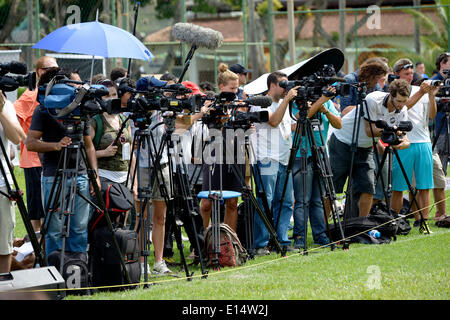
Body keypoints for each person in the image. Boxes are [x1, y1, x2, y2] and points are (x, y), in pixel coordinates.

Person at [25, 68, 100, 258]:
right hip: (53, 175)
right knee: (54, 228)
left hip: (81, 175)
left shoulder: (80, 108)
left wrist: (95, 175)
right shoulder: (44, 110)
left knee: (80, 227)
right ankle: (55, 271)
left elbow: (89, 146)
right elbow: (30, 143)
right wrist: (56, 146)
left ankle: (77, 269)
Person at [328, 79, 411, 218]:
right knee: (333, 189)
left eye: (404, 101)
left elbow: (404, 136)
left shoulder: (403, 109)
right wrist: (392, 130)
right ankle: (323, 229)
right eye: (399, 101)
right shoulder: (373, 99)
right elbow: (369, 130)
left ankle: (362, 226)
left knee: (368, 188)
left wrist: (403, 143)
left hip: (365, 147)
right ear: (390, 94)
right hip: (343, 141)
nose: (401, 106)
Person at [250, 71, 298, 255]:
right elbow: (274, 121)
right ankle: (261, 243)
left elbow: (289, 126)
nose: (286, 88)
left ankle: (281, 239)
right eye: (282, 84)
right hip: (266, 159)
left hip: (284, 158)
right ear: (272, 85)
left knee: (285, 203)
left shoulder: (283, 104)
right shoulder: (260, 102)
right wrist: (287, 100)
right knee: (265, 202)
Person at [390, 59, 439, 233]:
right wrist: (421, 94)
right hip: (404, 142)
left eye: (411, 74)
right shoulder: (395, 92)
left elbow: (431, 115)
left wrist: (431, 95)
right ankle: (393, 221)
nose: (410, 77)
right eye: (406, 74)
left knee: (424, 185)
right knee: (398, 186)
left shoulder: (422, 90)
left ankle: (422, 221)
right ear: (397, 75)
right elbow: (402, 107)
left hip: (423, 141)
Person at [291, 87, 342, 249]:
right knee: (302, 200)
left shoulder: (326, 102)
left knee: (319, 199)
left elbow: (339, 124)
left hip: (321, 154)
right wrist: (319, 101)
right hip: (301, 154)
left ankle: (320, 234)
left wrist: (325, 109)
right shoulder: (297, 102)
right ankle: (300, 236)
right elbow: (300, 120)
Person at [13, 56, 58, 232]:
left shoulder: (56, 93)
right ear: (41, 72)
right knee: (37, 210)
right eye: (52, 68)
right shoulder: (31, 95)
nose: (57, 71)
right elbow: (12, 118)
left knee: (51, 209)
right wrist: (27, 140)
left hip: (52, 159)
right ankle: (34, 253)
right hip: (34, 162)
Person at [200, 64, 246, 234]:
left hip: (236, 153)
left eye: (237, 88)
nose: (235, 91)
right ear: (221, 87)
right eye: (232, 88)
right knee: (207, 202)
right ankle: (201, 244)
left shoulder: (240, 104)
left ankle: (230, 243)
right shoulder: (211, 104)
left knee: (232, 202)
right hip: (213, 154)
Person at [89, 79, 136, 225]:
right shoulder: (95, 121)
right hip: (104, 177)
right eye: (107, 95)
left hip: (125, 177)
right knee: (106, 221)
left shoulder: (124, 119)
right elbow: (85, 153)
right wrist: (103, 153)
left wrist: (134, 181)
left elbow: (131, 151)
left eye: (114, 94)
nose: (111, 98)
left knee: (123, 221)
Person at [0, 90, 26, 273]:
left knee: (3, 243)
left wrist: (1, 112)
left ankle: (3, 283)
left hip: (1, 184)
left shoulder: (6, 106)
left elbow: (17, 138)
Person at [430, 53, 450, 221]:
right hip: (439, 126)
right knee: (441, 159)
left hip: (446, 123)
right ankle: (439, 209)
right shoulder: (434, 81)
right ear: (442, 64)